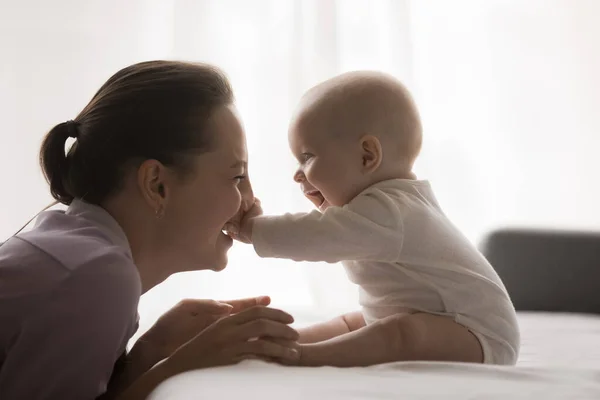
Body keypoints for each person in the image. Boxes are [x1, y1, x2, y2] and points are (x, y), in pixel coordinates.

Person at [0, 60, 300, 400]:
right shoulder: (91, 275)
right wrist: (181, 364)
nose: (251, 202)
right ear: (157, 185)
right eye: (236, 176)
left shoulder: (74, 250)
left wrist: (151, 350)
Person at [231, 71, 520, 367]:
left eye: (307, 157)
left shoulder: (392, 210)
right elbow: (333, 229)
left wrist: (253, 228)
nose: (297, 173)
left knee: (398, 332)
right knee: (354, 322)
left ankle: (303, 355)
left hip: (478, 336)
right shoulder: (392, 205)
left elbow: (320, 236)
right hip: (442, 321)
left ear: (367, 156)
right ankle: (290, 340)